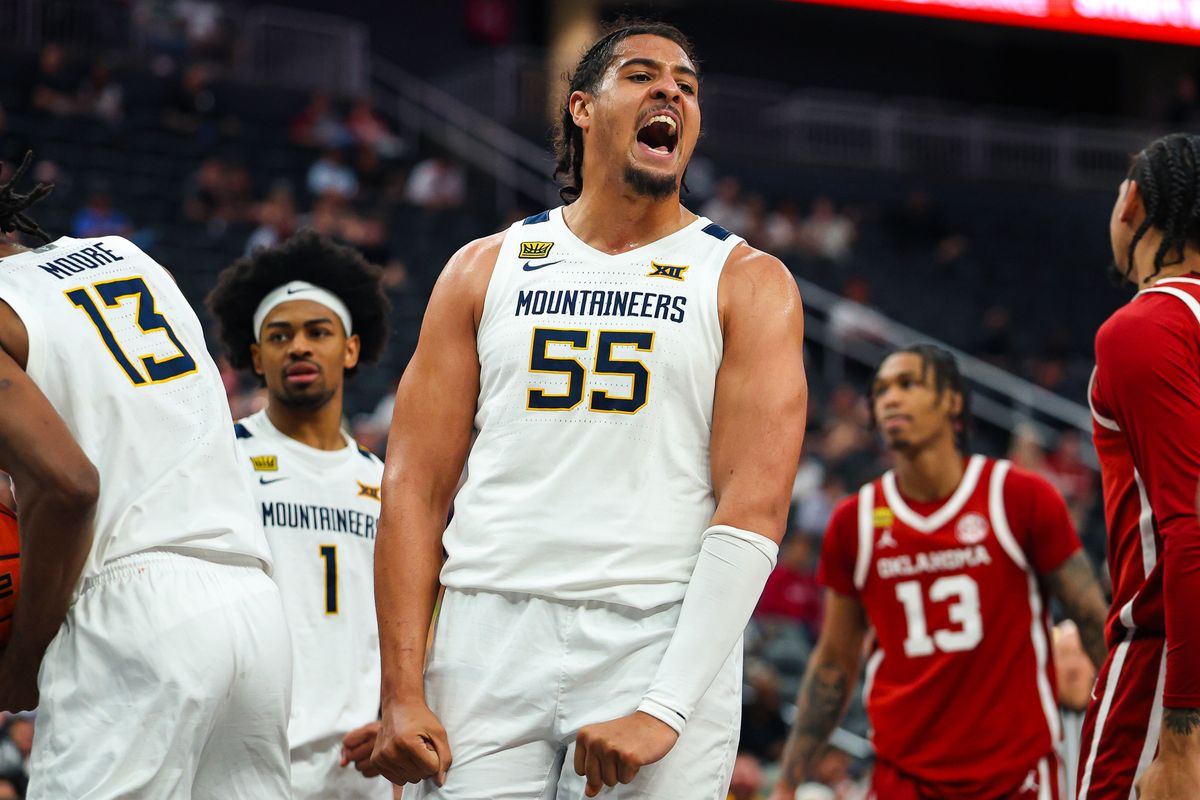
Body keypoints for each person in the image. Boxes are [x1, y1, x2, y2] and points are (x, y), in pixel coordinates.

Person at [369, 20, 807, 799]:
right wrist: (400, 689)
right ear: (581, 107)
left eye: (687, 85)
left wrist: (666, 705)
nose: (671, 89)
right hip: (484, 634)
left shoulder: (746, 280)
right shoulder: (483, 267)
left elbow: (755, 508)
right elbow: (413, 486)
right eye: (641, 75)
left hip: (655, 634)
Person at [0, 152, 291, 798]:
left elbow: (68, 485)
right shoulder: (125, 257)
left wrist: (21, 661)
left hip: (132, 615)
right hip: (253, 605)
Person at [769, 345, 1110, 800]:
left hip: (1014, 776)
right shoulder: (856, 521)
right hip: (903, 777)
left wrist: (1135, 741)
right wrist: (789, 781)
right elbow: (833, 662)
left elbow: (1091, 619)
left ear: (952, 400)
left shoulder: (1019, 497)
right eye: (881, 390)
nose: (889, 398)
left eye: (908, 384)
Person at [207, 230, 394, 800]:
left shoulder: (385, 483)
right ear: (256, 355)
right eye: (280, 336)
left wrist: (398, 707)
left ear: (352, 348)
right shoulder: (221, 458)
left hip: (360, 758)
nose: (299, 348)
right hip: (243, 756)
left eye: (319, 332)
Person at [1080, 132, 1200, 800]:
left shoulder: (1145, 327)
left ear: (1133, 203)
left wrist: (1180, 733)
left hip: (1165, 670)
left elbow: (1189, 529)